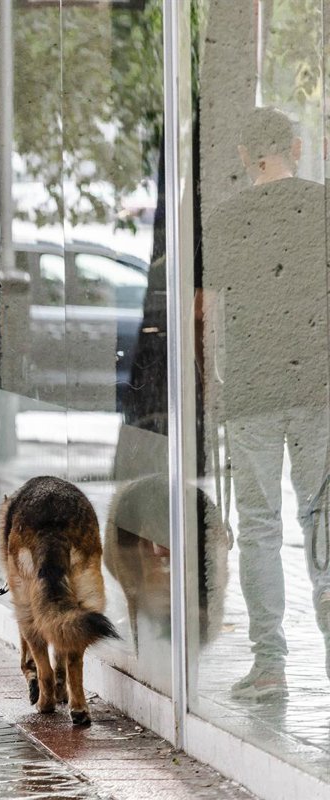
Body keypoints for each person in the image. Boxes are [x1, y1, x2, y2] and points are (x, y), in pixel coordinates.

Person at [201, 106, 330, 701]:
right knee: (320, 516)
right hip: (317, 390)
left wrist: (217, 383)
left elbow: (208, 316)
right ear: (296, 149)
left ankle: (271, 664)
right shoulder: (323, 206)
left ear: (242, 156)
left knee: (258, 529)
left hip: (252, 391)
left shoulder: (226, 219)